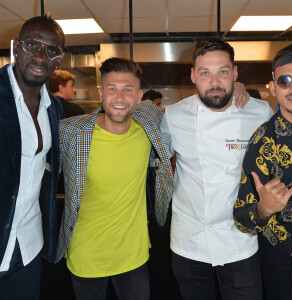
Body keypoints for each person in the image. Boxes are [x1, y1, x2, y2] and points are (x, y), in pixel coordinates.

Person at [160, 38, 274, 300]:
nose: (214, 82)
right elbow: (158, 157)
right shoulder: (174, 116)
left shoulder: (260, 112)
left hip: (240, 240)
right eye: (204, 73)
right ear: (192, 76)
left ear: (235, 73)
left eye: (223, 71)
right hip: (188, 240)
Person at [55, 56, 174, 300]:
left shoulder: (148, 123)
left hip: (134, 255)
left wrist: (236, 90)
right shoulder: (69, 131)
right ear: (100, 93)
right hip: (85, 255)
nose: (120, 98)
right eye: (112, 89)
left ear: (139, 96)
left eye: (127, 90)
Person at [0, 16, 64, 300]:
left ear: (59, 60)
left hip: (28, 245)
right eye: (32, 45)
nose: (40, 55)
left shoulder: (55, 108)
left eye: (51, 50)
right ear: (16, 48)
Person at [233, 42, 292, 300]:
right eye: (285, 80)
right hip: (282, 264)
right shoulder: (263, 143)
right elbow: (242, 219)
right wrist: (263, 209)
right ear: (272, 87)